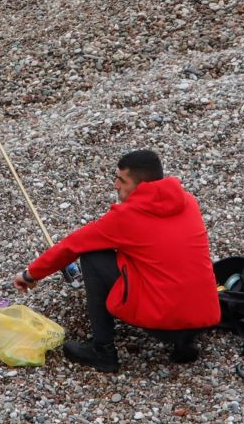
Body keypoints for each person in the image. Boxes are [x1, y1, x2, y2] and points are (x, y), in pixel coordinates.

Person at [12, 149, 220, 373]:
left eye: (122, 180)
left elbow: (71, 246)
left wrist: (29, 275)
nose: (115, 185)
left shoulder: (126, 216)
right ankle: (184, 343)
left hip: (162, 322)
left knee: (92, 256)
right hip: (204, 317)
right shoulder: (188, 202)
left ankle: (102, 351)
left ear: (140, 185)